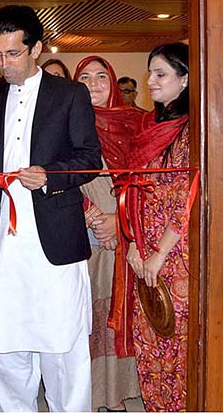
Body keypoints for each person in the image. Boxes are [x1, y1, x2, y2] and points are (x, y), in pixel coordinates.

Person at [0, 5, 102, 412]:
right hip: (3, 246)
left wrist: (49, 174)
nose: (3, 64)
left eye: (12, 53)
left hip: (55, 240)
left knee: (63, 347)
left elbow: (89, 157)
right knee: (6, 347)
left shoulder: (70, 95)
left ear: (36, 49)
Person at [113, 43, 191, 411]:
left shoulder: (190, 132)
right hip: (144, 250)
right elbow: (133, 191)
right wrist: (132, 242)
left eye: (161, 74)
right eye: (150, 73)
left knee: (174, 341)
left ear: (186, 79)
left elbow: (184, 201)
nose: (150, 81)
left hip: (175, 256)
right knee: (150, 341)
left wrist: (158, 253)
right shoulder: (152, 126)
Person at [73, 56, 142, 411]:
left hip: (130, 236)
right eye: (85, 77)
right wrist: (95, 216)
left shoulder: (137, 123)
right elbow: (58, 179)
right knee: (93, 319)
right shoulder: (67, 124)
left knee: (125, 315)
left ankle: (117, 394)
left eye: (102, 76)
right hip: (90, 239)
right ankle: (93, 395)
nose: (95, 82)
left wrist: (121, 219)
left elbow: (149, 182)